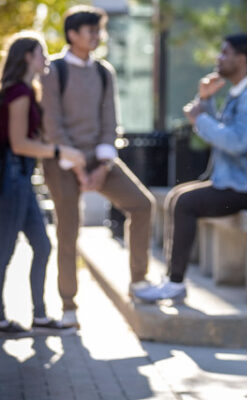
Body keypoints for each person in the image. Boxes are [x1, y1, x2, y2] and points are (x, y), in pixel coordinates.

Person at [134, 33, 247, 302]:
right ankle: (174, 281)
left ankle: (175, 283)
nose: (219, 58)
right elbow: (220, 133)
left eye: (224, 53)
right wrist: (204, 100)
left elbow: (237, 142)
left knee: (185, 202)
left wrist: (200, 118)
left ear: (241, 59)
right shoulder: (241, 93)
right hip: (239, 183)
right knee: (178, 196)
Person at [40, 5, 155, 328]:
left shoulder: (105, 71)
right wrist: (78, 168)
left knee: (142, 204)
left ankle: (139, 282)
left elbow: (110, 122)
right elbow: (53, 124)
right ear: (73, 34)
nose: (96, 36)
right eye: (90, 30)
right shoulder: (53, 70)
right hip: (62, 161)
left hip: (100, 158)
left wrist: (102, 166)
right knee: (68, 228)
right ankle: (68, 305)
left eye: (98, 30)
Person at [0, 31, 86, 334]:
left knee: (42, 244)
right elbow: (19, 143)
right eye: (41, 53)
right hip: (12, 175)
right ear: (27, 57)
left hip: (22, 177)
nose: (46, 59)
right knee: (5, 249)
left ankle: (39, 315)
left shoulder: (26, 89)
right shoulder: (18, 93)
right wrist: (61, 151)